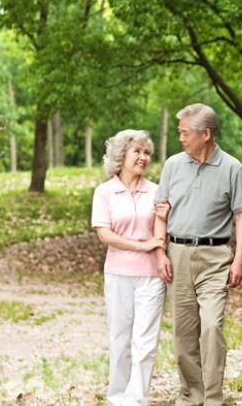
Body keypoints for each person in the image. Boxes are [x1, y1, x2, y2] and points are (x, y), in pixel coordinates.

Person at [153, 103, 242, 406]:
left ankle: (212, 399)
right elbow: (160, 212)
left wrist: (239, 260)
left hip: (215, 257)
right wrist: (160, 252)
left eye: (185, 133)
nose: (181, 138)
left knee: (211, 327)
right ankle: (190, 395)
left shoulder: (232, 168)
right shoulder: (172, 165)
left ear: (205, 134)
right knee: (183, 335)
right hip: (178, 254)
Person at [91, 129, 167, 406]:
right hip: (118, 273)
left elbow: (161, 232)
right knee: (120, 339)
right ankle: (117, 398)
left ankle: (136, 400)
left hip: (151, 277)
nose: (143, 157)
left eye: (147, 152)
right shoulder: (105, 192)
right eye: (137, 151)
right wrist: (142, 246)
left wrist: (157, 252)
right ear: (121, 156)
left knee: (145, 342)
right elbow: (104, 235)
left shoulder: (157, 191)